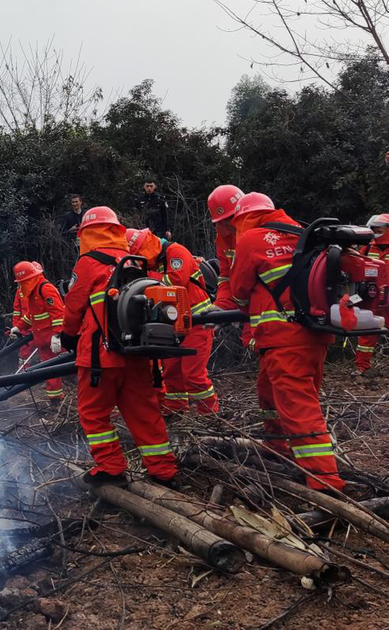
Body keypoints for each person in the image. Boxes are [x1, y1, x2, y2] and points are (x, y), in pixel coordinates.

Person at [229, 192, 345, 491]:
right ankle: (278, 446)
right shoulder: (302, 232)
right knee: (269, 392)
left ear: (242, 218)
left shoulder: (251, 240)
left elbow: (238, 291)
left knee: (298, 406)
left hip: (283, 337)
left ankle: (325, 480)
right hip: (313, 332)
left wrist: (245, 305)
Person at [61, 206, 177, 486]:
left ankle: (111, 468)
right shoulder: (135, 262)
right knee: (145, 413)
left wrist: (67, 336)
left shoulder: (89, 262)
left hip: (99, 356)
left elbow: (74, 305)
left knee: (94, 413)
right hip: (136, 353)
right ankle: (164, 472)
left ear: (87, 233)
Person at [126, 228, 218, 415]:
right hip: (173, 325)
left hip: (197, 321)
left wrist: (144, 279)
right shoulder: (153, 264)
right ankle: (176, 409)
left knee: (193, 375)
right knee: (171, 371)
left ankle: (210, 414)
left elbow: (175, 281)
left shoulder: (176, 252)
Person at [10, 261, 65, 402]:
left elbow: (59, 313)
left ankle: (60, 399)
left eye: (23, 282)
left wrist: (57, 335)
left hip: (53, 339)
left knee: (59, 367)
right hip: (44, 340)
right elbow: (31, 316)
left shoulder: (46, 289)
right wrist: (19, 327)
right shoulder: (33, 292)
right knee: (49, 371)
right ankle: (55, 399)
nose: (21, 285)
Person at [353, 214, 389, 375]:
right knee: (367, 334)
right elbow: (357, 269)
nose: (375, 232)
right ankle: (362, 367)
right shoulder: (367, 247)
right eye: (373, 229)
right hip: (372, 297)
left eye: (378, 229)